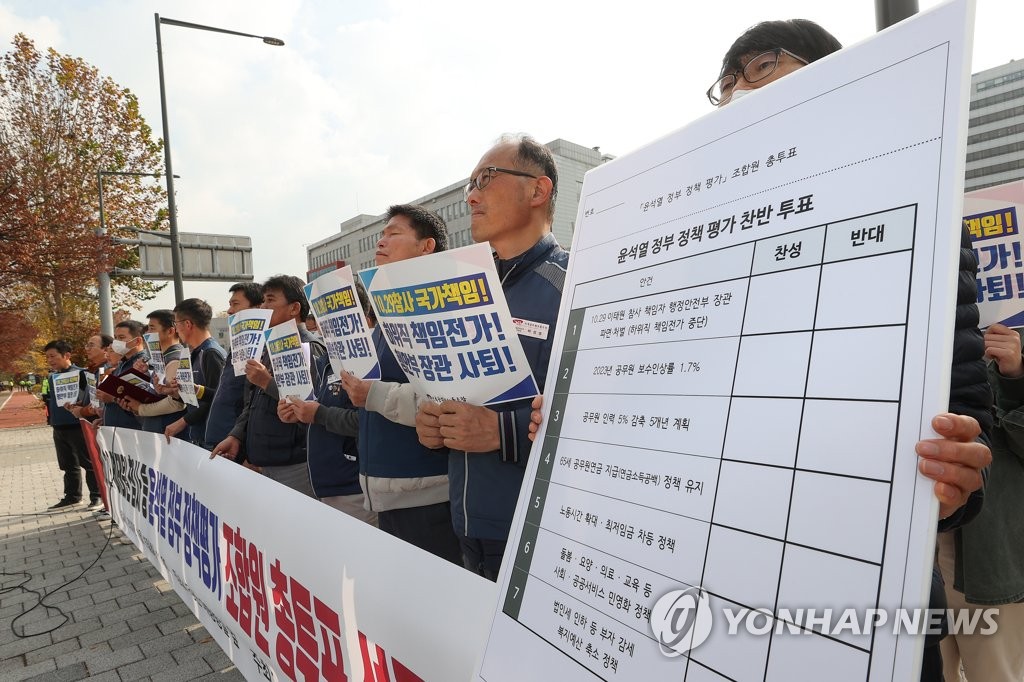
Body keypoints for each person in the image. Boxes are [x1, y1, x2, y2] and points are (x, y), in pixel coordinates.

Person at [524, 19, 992, 681]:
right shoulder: (682, 239)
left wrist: (954, 483)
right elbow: (651, 397)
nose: (742, 89)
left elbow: (965, 425)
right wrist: (575, 424)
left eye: (763, 65)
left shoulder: (928, 214)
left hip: (855, 607)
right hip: (689, 588)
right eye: (729, 82)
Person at [413, 136, 568, 579]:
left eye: (486, 179)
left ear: (537, 191)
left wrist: (503, 431)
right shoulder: (462, 293)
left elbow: (607, 415)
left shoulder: (574, 285)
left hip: (539, 532)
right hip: (464, 524)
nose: (472, 196)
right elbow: (451, 395)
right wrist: (434, 422)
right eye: (469, 185)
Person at [335, 204, 461, 562]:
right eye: (381, 234)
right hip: (387, 492)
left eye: (394, 233)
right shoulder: (387, 314)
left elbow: (448, 397)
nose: (381, 241)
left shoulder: (441, 308)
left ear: (427, 247)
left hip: (429, 494)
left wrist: (371, 394)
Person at [937, 322, 1024, 682]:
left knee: (996, 674)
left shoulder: (1006, 352)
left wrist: (1014, 377)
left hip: (990, 557)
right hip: (912, 563)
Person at [211, 275, 326, 496]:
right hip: (263, 462)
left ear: (294, 308)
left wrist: (267, 382)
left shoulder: (311, 347)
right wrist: (236, 436)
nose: (263, 307)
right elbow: (251, 402)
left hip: (295, 463)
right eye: (262, 301)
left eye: (270, 300)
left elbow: (309, 406)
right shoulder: (266, 348)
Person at [279, 280, 377, 526]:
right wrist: (299, 414)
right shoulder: (326, 360)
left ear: (361, 316)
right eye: (322, 314)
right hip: (325, 484)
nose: (324, 323)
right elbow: (319, 414)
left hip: (355, 487)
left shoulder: (373, 359)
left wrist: (318, 414)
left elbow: (371, 421)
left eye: (334, 314)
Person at [204, 282, 264, 450]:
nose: (230, 311)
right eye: (230, 304)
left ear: (258, 308)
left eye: (236, 304)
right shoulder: (238, 346)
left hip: (237, 445)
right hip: (220, 438)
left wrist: (246, 447)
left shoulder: (262, 349)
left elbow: (253, 402)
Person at [42, 340, 101, 509]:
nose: (50, 360)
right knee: (68, 464)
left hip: (78, 425)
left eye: (53, 356)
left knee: (88, 462)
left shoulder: (81, 374)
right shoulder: (52, 376)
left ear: (67, 355)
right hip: (59, 426)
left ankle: (96, 496)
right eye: (47, 357)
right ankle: (72, 496)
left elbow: (89, 397)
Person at [163, 298, 226, 446]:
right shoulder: (195, 353)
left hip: (212, 439)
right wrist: (174, 392)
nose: (176, 330)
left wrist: (183, 421)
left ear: (187, 324)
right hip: (199, 435)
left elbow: (218, 398)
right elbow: (195, 396)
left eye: (176, 324)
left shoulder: (211, 353)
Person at [124, 309, 186, 433]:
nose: (147, 333)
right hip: (156, 429)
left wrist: (141, 408)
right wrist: (144, 375)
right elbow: (158, 392)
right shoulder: (158, 358)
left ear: (170, 331)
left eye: (152, 328)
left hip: (168, 431)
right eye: (147, 328)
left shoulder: (176, 358)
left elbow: (176, 403)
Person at [97, 320, 148, 430]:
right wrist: (104, 419)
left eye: (121, 337)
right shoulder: (121, 364)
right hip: (118, 431)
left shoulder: (143, 364)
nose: (116, 342)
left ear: (137, 341)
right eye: (115, 337)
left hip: (134, 431)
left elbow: (142, 400)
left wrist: (111, 398)